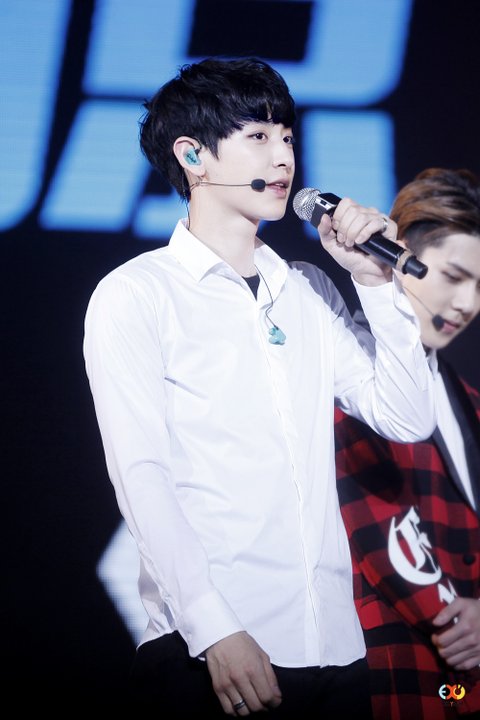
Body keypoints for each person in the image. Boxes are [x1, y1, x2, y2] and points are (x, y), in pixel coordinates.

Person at [83, 57, 436, 718]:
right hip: (208, 649)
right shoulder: (137, 294)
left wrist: (375, 284)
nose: (283, 158)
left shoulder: (308, 289)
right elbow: (141, 474)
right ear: (193, 155)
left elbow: (406, 416)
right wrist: (215, 627)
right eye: (258, 137)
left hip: (336, 646)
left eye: (288, 138)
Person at [335, 167, 480, 720]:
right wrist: (459, 620)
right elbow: (373, 523)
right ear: (398, 255)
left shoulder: (470, 403)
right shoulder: (342, 370)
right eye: (454, 276)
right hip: (382, 671)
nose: (466, 303)